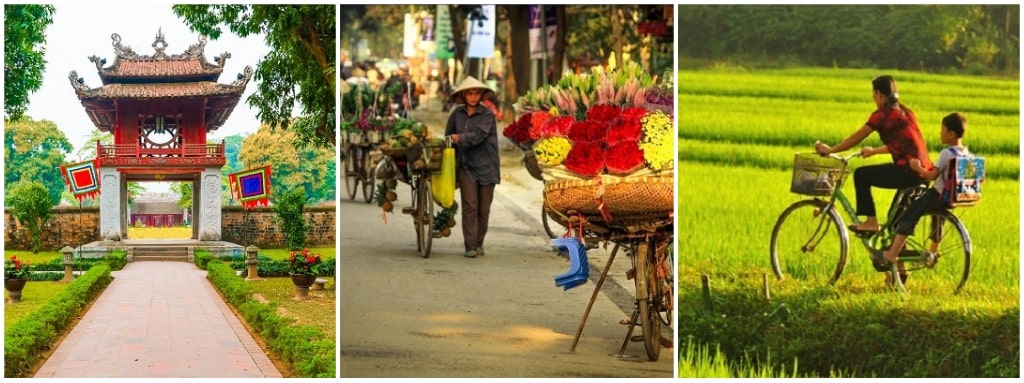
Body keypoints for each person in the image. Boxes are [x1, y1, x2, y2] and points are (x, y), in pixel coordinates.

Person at [814, 75, 932, 237]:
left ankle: (870, 221)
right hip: (924, 173)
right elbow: (901, 145)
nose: (873, 98)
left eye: (873, 94)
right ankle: (898, 261)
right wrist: (874, 151)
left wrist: (831, 150)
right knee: (896, 225)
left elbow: (856, 138)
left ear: (879, 94)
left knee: (862, 175)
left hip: (908, 171)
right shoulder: (906, 112)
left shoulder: (882, 115)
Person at [879, 112, 969, 268]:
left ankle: (893, 252)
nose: (940, 133)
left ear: (951, 134)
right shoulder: (965, 153)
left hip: (937, 194)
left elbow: (932, 176)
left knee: (909, 214)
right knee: (938, 218)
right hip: (952, 197)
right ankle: (935, 248)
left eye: (942, 130)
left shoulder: (947, 153)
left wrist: (917, 168)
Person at [445, 76, 499, 258]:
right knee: (470, 206)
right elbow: (448, 137)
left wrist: (460, 138)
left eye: (477, 93)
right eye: (470, 93)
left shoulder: (487, 115)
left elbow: (478, 135)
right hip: (465, 166)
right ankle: (470, 246)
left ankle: (478, 243)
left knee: (484, 209)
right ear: (464, 95)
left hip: (487, 166)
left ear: (481, 95)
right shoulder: (456, 115)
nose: (474, 97)